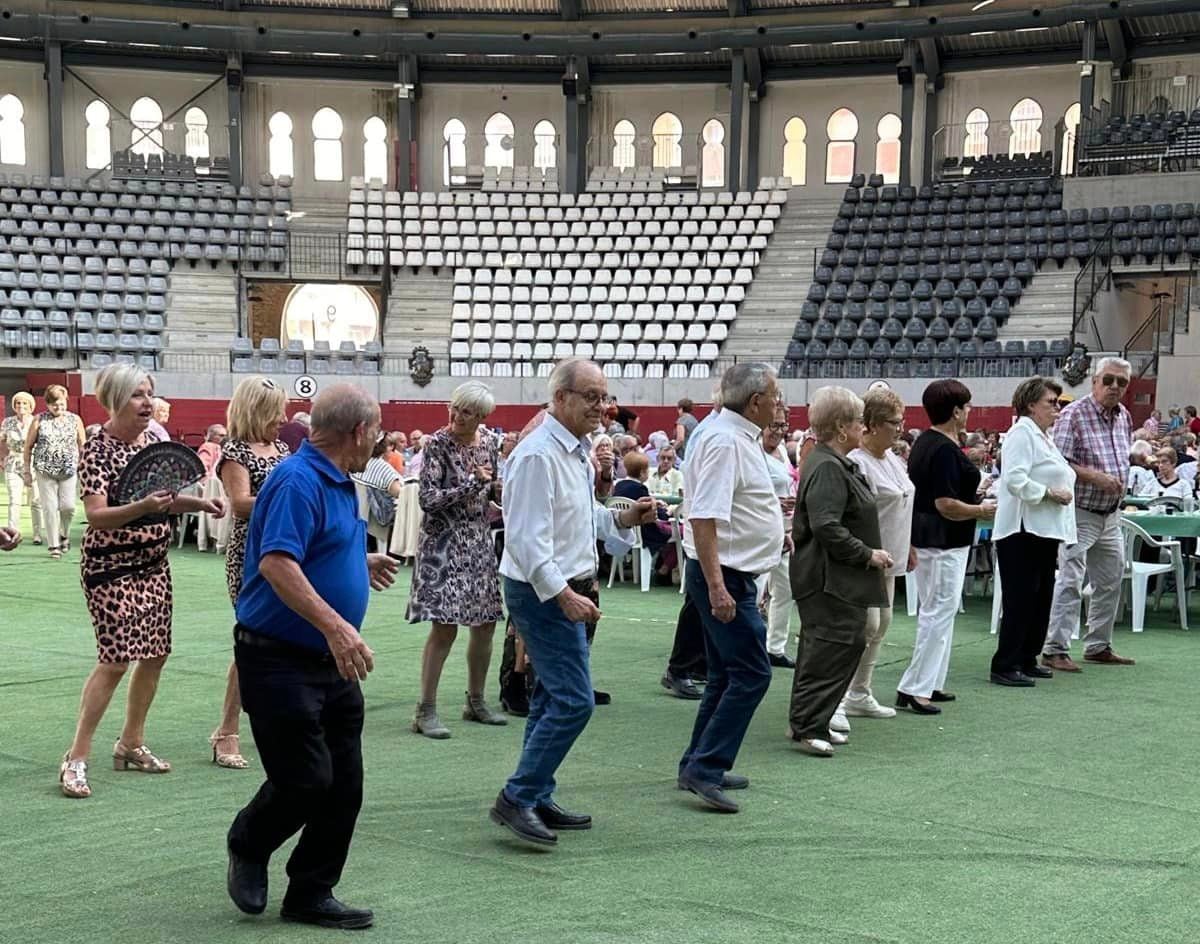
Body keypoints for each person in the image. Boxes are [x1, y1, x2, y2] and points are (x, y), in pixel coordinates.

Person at [226, 384, 398, 929]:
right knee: (306, 779)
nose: (379, 438)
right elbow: (277, 563)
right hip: (281, 657)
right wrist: (338, 628)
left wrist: (355, 561)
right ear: (359, 432)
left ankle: (310, 891)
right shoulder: (298, 479)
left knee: (344, 783)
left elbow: (309, 549)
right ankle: (248, 842)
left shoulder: (338, 478)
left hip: (328, 662)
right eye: (377, 430)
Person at [489, 359, 651, 848]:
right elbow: (525, 541)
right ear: (560, 398)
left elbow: (583, 519)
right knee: (574, 701)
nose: (603, 407)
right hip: (546, 590)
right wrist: (563, 596)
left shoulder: (577, 451)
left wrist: (623, 520)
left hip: (562, 584)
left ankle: (535, 792)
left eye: (604, 397)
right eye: (591, 397)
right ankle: (518, 796)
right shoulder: (538, 455)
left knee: (551, 697)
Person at [59, 365, 225, 800]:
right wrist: (140, 506)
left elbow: (164, 502)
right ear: (114, 400)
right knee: (115, 660)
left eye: (149, 393)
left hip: (154, 564)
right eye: (136, 395)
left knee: (154, 655)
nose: (147, 402)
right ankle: (76, 756)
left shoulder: (155, 442)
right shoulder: (97, 448)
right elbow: (96, 515)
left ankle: (130, 743)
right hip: (109, 566)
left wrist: (202, 504)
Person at [676, 363, 782, 813]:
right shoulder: (724, 440)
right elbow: (704, 516)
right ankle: (706, 767)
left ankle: (698, 764)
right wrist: (719, 587)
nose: (780, 405)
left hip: (732, 571)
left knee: (725, 674)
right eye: (775, 397)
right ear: (755, 401)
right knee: (753, 673)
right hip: (725, 575)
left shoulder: (734, 435)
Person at [788, 387, 891, 757]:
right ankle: (808, 725)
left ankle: (813, 720)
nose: (863, 426)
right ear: (841, 427)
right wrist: (867, 554)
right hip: (828, 578)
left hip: (836, 577)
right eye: (858, 420)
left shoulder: (831, 462)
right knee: (827, 650)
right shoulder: (828, 466)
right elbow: (826, 525)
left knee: (834, 648)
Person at [408, 382, 507, 738]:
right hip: (442, 543)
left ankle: (476, 701)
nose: (456, 416)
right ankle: (425, 709)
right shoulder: (436, 444)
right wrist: (471, 483)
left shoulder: (490, 445)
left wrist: (499, 492)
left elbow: (491, 493)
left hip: (478, 540)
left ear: (481, 417)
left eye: (466, 411)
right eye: (454, 408)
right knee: (444, 626)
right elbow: (428, 499)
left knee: (485, 623)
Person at [896, 380, 996, 715]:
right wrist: (982, 510)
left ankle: (929, 682)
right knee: (937, 612)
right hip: (941, 540)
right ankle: (915, 687)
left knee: (938, 611)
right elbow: (945, 504)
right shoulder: (940, 448)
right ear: (955, 411)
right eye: (966, 406)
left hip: (936, 538)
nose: (969, 411)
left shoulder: (929, 442)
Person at [211, 377, 290, 770]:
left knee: (280, 639)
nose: (283, 416)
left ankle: (275, 720)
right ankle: (226, 731)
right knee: (252, 640)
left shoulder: (283, 447)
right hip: (251, 555)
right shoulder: (235, 451)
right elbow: (240, 504)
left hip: (286, 549)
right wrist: (289, 499)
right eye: (276, 408)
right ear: (257, 409)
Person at [1043, 356, 1136, 672]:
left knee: (1110, 580)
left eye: (1121, 382)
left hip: (1110, 514)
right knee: (1070, 579)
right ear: (1094, 381)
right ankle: (1055, 648)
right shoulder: (1073, 415)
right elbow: (1058, 464)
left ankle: (1098, 645)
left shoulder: (1124, 416)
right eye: (1108, 380)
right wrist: (1096, 477)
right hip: (1080, 511)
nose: (1114, 387)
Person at [990, 377, 1076, 687]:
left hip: (1044, 528)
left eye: (1058, 403)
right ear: (1030, 405)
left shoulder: (1043, 436)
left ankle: (1027, 657)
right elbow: (1014, 479)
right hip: (1022, 528)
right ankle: (1005, 663)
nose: (1057, 408)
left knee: (1040, 597)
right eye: (1051, 402)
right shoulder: (1020, 434)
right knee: (1021, 597)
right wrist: (1049, 493)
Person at [841, 386, 915, 722]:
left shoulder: (894, 460)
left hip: (891, 556)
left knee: (881, 624)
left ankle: (860, 692)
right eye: (893, 422)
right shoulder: (857, 462)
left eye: (900, 421)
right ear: (871, 423)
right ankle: (837, 698)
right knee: (863, 626)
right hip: (866, 557)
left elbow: (903, 502)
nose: (899, 428)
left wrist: (908, 546)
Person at [660, 394, 723, 700]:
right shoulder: (710, 432)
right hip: (703, 531)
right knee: (698, 604)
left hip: (708, 530)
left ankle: (696, 664)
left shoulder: (711, 429)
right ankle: (679, 668)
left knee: (701, 605)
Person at [23, 384, 86, 560]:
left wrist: (86, 467)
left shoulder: (75, 420)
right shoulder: (39, 420)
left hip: (69, 469)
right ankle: (54, 545)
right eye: (54, 405)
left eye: (62, 404)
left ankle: (63, 534)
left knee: (68, 507)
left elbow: (83, 445)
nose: (59, 408)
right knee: (50, 507)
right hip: (44, 470)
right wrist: (27, 471)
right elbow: (28, 447)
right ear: (47, 404)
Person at [760, 404, 797, 668]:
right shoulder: (752, 452)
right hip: (759, 532)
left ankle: (775, 646)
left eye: (783, 426)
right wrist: (774, 503)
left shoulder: (783, 451)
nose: (778, 432)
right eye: (773, 425)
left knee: (785, 590)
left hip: (784, 531)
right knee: (754, 591)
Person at [613, 450, 677, 583]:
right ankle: (664, 569)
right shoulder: (640, 489)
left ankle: (663, 568)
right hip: (644, 533)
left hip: (621, 532)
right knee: (681, 532)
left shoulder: (618, 486)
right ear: (642, 472)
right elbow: (653, 514)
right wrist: (668, 511)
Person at [1, 391, 42, 544]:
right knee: (14, 499)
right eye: (18, 403)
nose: (21, 406)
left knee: (36, 500)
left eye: (24, 403)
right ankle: (13, 533)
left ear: (31, 406)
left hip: (33, 464)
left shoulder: (37, 421)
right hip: (13, 463)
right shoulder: (7, 422)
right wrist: (2, 459)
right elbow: (2, 441)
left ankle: (37, 534)